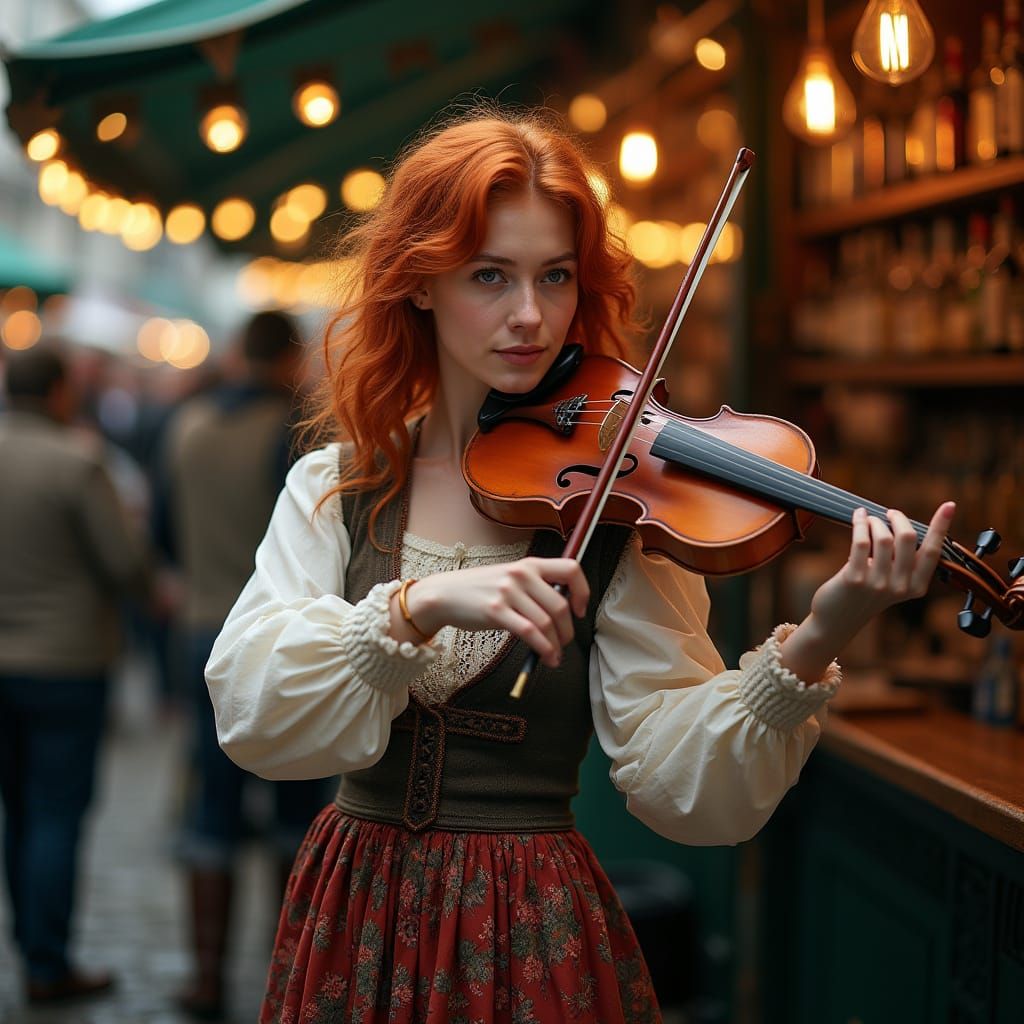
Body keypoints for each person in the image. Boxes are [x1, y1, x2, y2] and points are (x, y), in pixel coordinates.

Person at [204, 106, 955, 1024]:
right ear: (421, 284)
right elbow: (251, 709)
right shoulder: (339, 486)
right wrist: (414, 606)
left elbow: (688, 789)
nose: (530, 316)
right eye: (491, 276)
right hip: (357, 914)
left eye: (554, 276)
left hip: (529, 926)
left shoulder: (618, 511)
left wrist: (826, 630)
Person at [158, 311, 331, 1020]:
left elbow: (163, 534)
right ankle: (285, 972)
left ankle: (205, 978)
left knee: (211, 806)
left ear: (237, 354)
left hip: (203, 633)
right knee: (296, 807)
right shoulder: (299, 436)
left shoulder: (188, 426)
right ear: (293, 361)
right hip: (284, 638)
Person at [0, 345, 150, 1004]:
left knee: (17, 812)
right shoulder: (79, 462)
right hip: (66, 663)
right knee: (57, 814)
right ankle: (47, 959)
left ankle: (29, 944)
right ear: (60, 392)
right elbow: (122, 563)